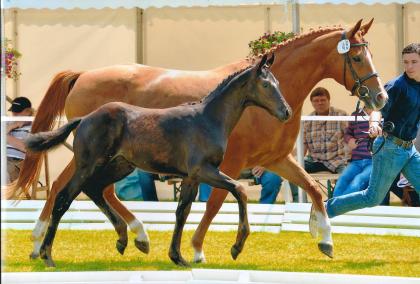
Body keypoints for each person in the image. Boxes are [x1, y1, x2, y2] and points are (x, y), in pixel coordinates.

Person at [323, 43, 420, 220]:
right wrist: (374, 123)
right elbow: (376, 108)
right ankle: (326, 209)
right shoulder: (397, 85)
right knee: (372, 197)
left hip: (409, 149)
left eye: (414, 62)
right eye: (406, 62)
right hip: (389, 148)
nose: (409, 66)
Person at [290, 87, 348, 201]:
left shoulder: (341, 115)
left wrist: (350, 158)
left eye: (323, 100)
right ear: (312, 103)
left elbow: (349, 139)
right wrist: (289, 158)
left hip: (337, 160)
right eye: (316, 101)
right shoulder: (307, 120)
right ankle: (300, 203)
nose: (320, 103)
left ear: (329, 100)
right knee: (292, 171)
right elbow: (303, 146)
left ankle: (337, 203)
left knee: (347, 177)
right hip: (315, 160)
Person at [198, 166, 298, 203]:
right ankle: (203, 207)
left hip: (257, 167)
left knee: (273, 177)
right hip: (230, 164)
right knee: (207, 172)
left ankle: (264, 209)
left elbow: (274, 148)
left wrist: (264, 164)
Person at [332, 107, 373, 197]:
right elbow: (348, 132)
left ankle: (338, 206)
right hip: (356, 160)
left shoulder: (384, 112)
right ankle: (333, 205)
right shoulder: (356, 114)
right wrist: (349, 139)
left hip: (374, 161)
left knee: (358, 180)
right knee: (342, 180)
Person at [6, 97, 34, 183]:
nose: (14, 114)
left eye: (17, 111)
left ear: (28, 112)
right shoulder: (8, 123)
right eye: (13, 111)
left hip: (16, 164)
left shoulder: (34, 126)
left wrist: (5, 136)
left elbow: (27, 148)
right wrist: (12, 126)